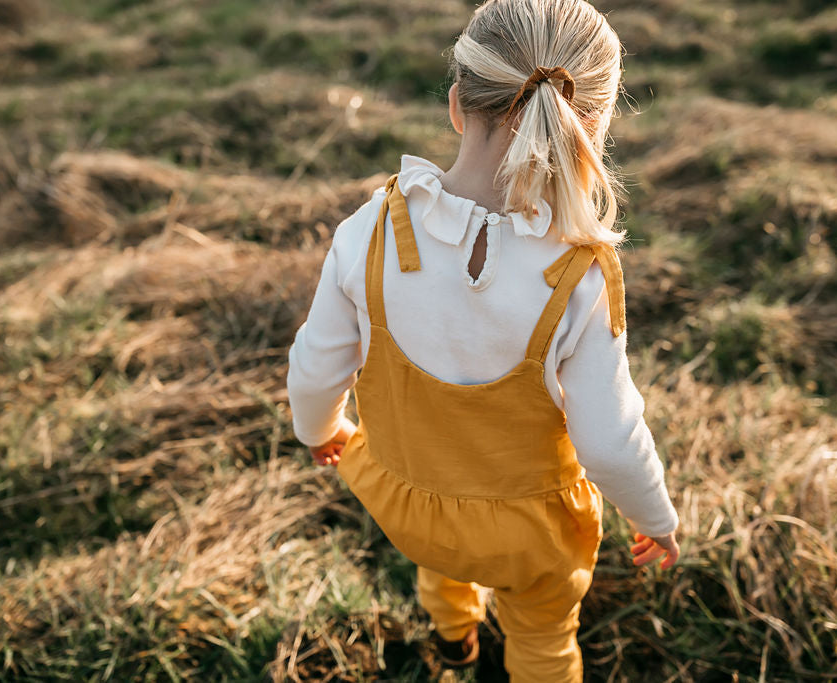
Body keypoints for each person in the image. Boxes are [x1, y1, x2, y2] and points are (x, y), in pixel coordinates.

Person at [286, 0, 680, 679]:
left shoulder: (373, 229)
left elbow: (315, 365)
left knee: (442, 559)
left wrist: (319, 429)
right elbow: (610, 440)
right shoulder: (576, 275)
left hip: (413, 502)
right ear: (594, 125)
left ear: (455, 104)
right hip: (532, 540)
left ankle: (452, 637)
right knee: (544, 637)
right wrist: (655, 514)